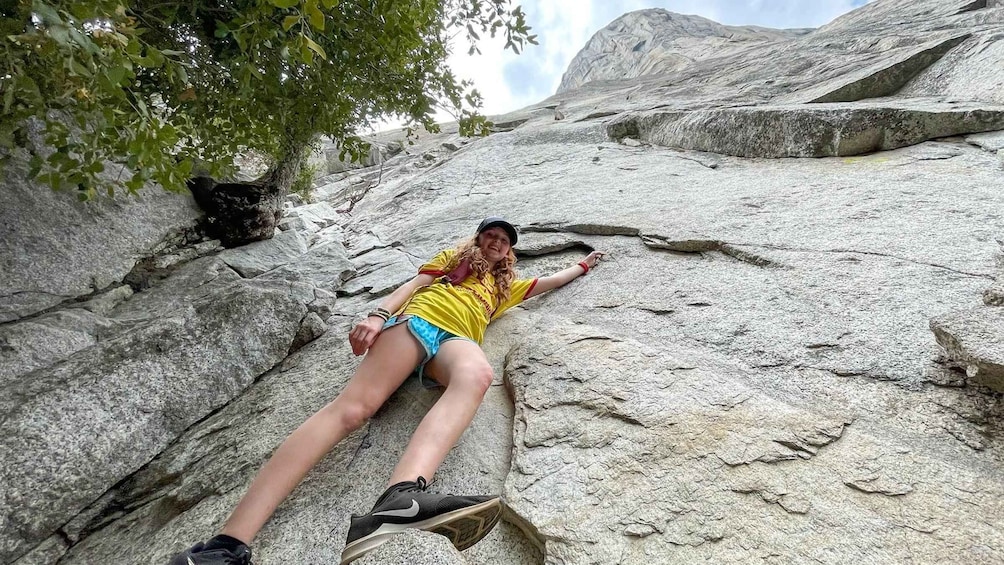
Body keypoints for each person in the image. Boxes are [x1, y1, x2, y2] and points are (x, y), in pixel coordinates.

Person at [171, 217, 603, 565]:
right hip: (418, 322)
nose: (495, 242)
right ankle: (225, 546)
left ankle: (400, 498)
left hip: (456, 342)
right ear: (478, 239)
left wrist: (583, 266)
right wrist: (378, 314)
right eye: (489, 234)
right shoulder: (454, 259)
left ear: (510, 252)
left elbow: (549, 281)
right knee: (353, 411)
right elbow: (413, 286)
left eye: (504, 240)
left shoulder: (504, 288)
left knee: (477, 374)